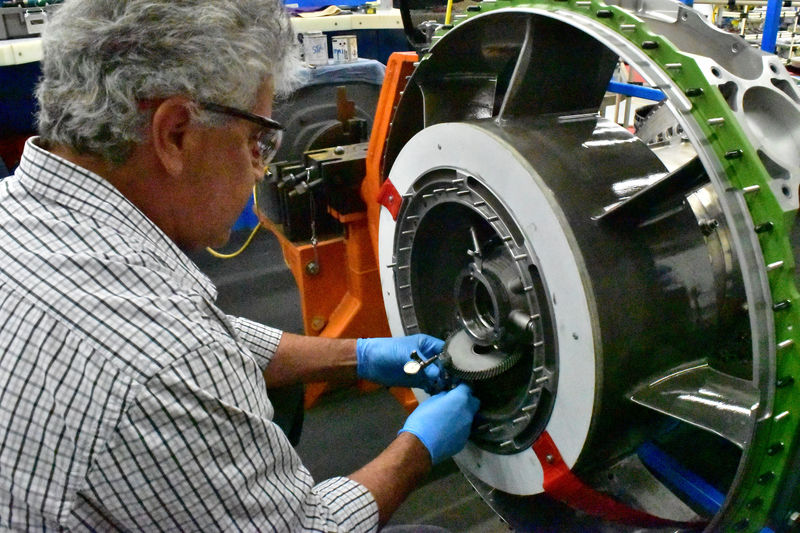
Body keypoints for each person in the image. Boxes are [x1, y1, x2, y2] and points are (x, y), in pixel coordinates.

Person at [0, 1, 480, 531]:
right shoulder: (165, 359)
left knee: (282, 391)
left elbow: (204, 338)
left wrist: (358, 355)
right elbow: (308, 528)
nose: (261, 166)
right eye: (258, 140)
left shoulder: (22, 216)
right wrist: (419, 447)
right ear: (176, 133)